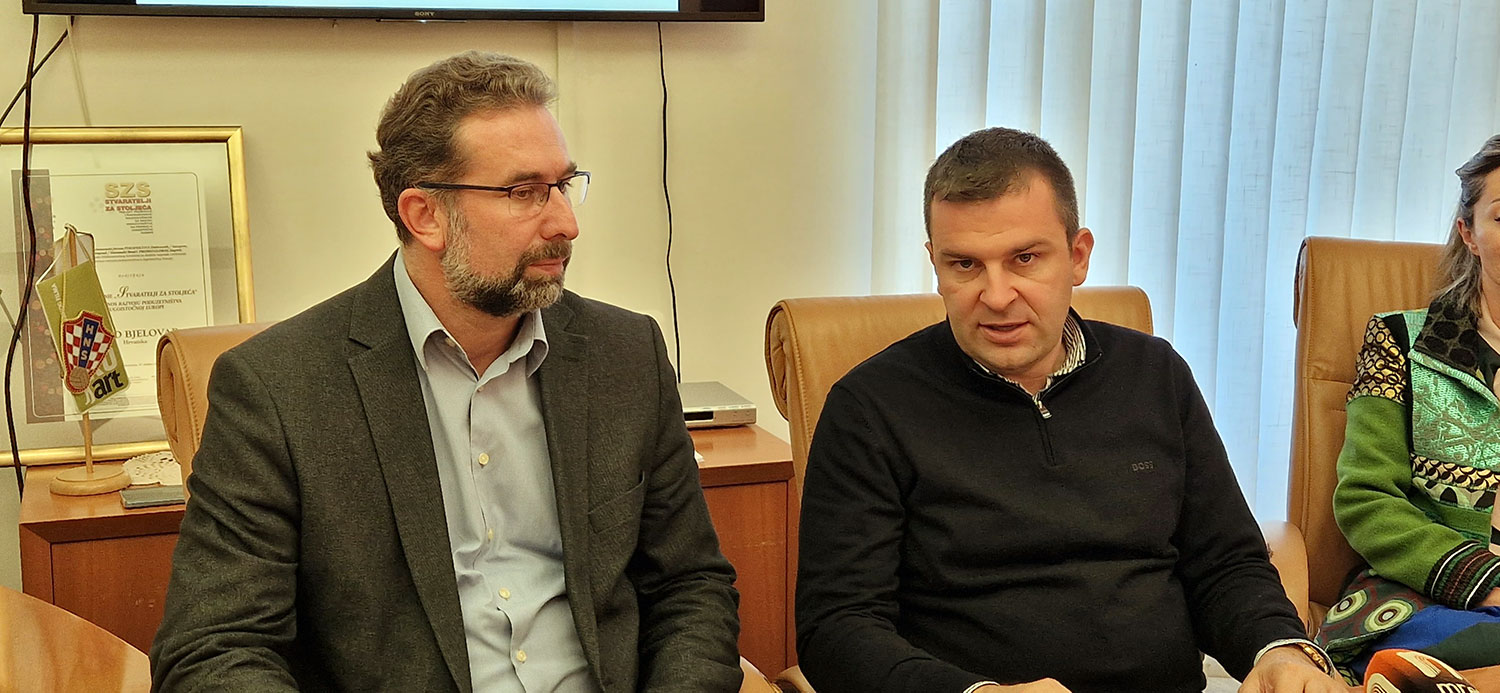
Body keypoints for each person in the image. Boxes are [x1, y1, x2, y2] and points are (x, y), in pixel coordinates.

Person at [149, 51, 741, 692]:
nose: (566, 223)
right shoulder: (279, 389)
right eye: (523, 193)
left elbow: (690, 587)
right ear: (424, 215)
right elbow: (214, 648)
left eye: (564, 185)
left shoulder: (625, 354)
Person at [794, 127, 1343, 693]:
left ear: (1078, 257)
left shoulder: (1154, 374)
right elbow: (837, 627)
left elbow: (1224, 563)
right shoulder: (870, 407)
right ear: (935, 264)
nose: (997, 296)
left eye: (1025, 258)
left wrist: (1279, 651)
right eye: (965, 265)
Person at [1315, 135, 1500, 683]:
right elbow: (1366, 499)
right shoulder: (1401, 341)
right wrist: (1484, 580)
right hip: (1425, 598)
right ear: (1469, 233)